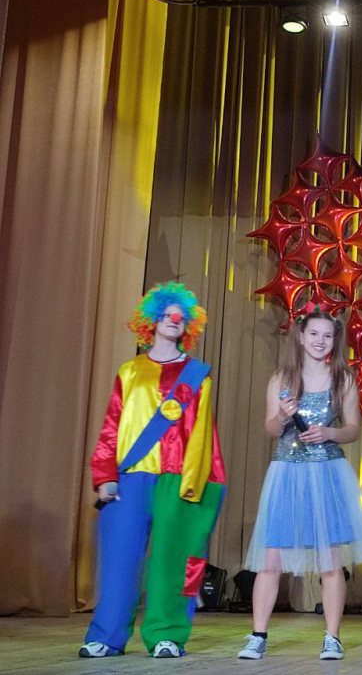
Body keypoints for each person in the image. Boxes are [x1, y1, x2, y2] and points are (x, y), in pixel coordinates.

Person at [80, 282, 226, 659]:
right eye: (166, 314)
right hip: (130, 479)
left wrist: (198, 484)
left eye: (180, 316)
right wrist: (104, 475)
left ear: (188, 325)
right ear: (152, 321)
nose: (173, 320)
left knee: (173, 562)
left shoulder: (198, 375)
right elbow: (111, 427)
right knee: (118, 561)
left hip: (178, 480)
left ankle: (168, 635)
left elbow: (203, 435)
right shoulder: (130, 371)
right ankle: (106, 636)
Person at [237, 305, 362, 661]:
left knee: (330, 561)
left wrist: (329, 433)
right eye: (314, 334)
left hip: (326, 473)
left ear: (335, 340)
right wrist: (282, 416)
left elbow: (353, 429)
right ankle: (258, 635)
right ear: (301, 338)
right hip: (286, 472)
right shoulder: (282, 379)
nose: (320, 341)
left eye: (328, 335)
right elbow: (270, 428)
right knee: (271, 559)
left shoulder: (342, 379)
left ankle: (332, 637)